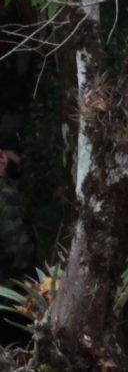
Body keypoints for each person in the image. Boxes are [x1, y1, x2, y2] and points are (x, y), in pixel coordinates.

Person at [0, 125, 36, 348]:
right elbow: (20, 258)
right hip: (9, 310)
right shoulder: (6, 198)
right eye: (17, 153)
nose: (22, 159)